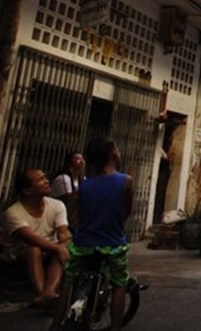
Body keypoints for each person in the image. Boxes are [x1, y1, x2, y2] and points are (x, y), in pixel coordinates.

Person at [56, 137, 133, 331]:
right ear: (114, 154)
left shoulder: (85, 185)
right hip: (113, 243)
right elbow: (126, 211)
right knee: (119, 283)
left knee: (69, 280)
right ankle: (115, 328)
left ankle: (56, 325)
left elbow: (80, 214)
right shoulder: (125, 181)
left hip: (83, 244)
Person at [0, 168, 71, 308]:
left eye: (45, 177)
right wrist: (58, 247)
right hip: (19, 254)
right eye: (41, 180)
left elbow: (63, 232)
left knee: (61, 247)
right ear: (27, 190)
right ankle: (41, 293)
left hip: (49, 250)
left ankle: (48, 292)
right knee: (34, 249)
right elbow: (31, 239)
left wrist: (65, 243)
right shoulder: (13, 212)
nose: (46, 181)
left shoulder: (57, 205)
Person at [51, 151, 85, 230]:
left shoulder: (82, 179)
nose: (82, 162)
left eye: (82, 159)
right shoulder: (64, 179)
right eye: (78, 159)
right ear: (69, 163)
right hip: (60, 218)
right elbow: (70, 201)